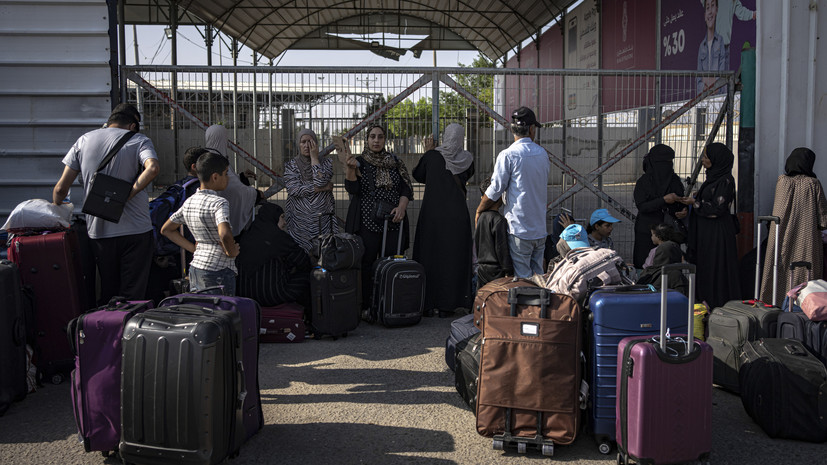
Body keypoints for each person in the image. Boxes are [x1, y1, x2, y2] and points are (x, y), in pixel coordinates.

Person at [52, 111, 160, 303]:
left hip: (99, 232)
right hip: (136, 231)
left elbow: (61, 189)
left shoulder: (84, 140)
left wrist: (56, 210)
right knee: (133, 295)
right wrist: (128, 194)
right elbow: (152, 168)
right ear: (132, 125)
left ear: (109, 122)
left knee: (107, 291)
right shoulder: (139, 140)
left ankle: (106, 329)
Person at [339, 124, 413, 311]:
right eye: (372, 137)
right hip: (367, 221)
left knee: (391, 262)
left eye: (380, 137)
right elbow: (352, 189)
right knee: (367, 264)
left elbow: (406, 188)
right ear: (367, 139)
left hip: (393, 220)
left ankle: (389, 303)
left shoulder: (395, 161)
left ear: (385, 139)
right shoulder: (359, 162)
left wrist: (402, 207)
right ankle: (367, 306)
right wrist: (349, 169)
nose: (376, 140)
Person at [475, 106, 550, 278]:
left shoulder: (508, 155)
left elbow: (495, 189)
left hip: (519, 229)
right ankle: (540, 305)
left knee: (522, 280)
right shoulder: (542, 154)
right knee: (538, 277)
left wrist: (480, 209)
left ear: (513, 129)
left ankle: (526, 305)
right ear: (532, 129)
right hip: (539, 229)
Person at [412, 124, 475, 316]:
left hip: (432, 215)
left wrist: (428, 152)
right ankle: (450, 305)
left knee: (430, 256)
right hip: (457, 217)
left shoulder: (432, 157)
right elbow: (467, 176)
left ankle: (428, 303)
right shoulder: (467, 159)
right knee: (454, 258)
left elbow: (418, 175)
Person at [161, 151, 240, 295]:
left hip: (196, 266)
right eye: (226, 173)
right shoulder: (219, 203)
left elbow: (166, 229)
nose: (228, 178)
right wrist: (231, 251)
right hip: (219, 269)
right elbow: (224, 233)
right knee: (222, 313)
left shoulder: (189, 201)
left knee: (201, 310)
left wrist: (193, 248)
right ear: (215, 177)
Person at [759, 148, 827, 303]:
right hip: (806, 243)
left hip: (781, 239)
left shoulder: (782, 181)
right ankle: (803, 305)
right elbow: (823, 220)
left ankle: (774, 302)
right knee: (805, 274)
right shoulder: (813, 184)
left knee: (778, 270)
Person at [679, 142, 740, 308]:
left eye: (706, 157)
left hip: (717, 234)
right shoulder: (713, 177)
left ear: (716, 159)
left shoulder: (726, 180)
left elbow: (718, 209)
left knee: (716, 268)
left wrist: (695, 203)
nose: (703, 160)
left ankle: (717, 305)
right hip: (706, 233)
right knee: (705, 267)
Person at [237, 202, 312, 308]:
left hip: (244, 294)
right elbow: (303, 262)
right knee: (307, 276)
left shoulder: (246, 236)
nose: (285, 222)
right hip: (272, 296)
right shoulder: (279, 237)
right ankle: (308, 318)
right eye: (282, 217)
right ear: (274, 218)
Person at [633, 144, 687, 269]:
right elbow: (643, 207)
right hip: (647, 232)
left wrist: (683, 210)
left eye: (670, 162)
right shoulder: (644, 182)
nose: (667, 165)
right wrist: (663, 200)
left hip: (669, 231)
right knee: (646, 266)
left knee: (670, 267)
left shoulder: (674, 180)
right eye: (663, 162)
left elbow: (680, 201)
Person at [284, 128, 337, 253]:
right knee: (302, 256)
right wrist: (322, 188)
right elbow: (293, 189)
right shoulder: (291, 165)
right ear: (298, 144)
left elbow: (319, 180)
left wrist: (314, 158)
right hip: (299, 222)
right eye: (303, 142)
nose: (307, 145)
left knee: (324, 254)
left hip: (322, 220)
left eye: (310, 141)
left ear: (316, 144)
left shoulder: (326, 163)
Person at [204, 124, 260, 237]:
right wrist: (255, 194)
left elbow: (228, 180)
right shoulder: (218, 161)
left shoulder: (205, 158)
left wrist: (241, 176)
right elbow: (233, 188)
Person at [474, 178, 513, 288]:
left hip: (482, 268)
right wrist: (508, 270)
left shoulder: (480, 217)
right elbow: (502, 248)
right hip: (496, 270)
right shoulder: (499, 220)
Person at [699, 0, 756, 67]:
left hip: (725, 46)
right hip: (712, 45)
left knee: (723, 75)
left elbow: (741, 12)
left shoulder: (733, 1)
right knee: (713, 75)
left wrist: (753, 14)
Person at [697, 0, 728, 95]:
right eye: (707, 8)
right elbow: (699, 78)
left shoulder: (720, 41)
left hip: (718, 96)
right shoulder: (702, 46)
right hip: (704, 97)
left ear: (717, 10)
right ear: (705, 15)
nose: (710, 11)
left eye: (713, 6)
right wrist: (705, 86)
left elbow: (722, 74)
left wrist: (713, 84)